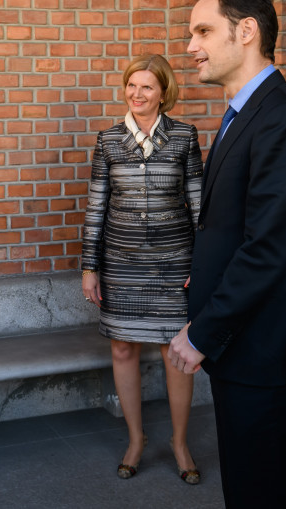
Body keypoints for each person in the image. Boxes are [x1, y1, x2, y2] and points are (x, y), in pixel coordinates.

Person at [169, 0, 286, 508]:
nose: (191, 45)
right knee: (246, 487)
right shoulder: (244, 113)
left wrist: (203, 332)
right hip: (244, 345)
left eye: (203, 31)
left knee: (263, 492)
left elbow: (269, 248)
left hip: (268, 348)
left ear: (246, 31)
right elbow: (230, 228)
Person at [81, 54, 203, 485]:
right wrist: (89, 266)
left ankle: (180, 442)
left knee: (179, 355)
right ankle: (135, 439)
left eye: (147, 87)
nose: (137, 94)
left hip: (174, 265)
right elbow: (97, 206)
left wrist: (203, 265)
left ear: (164, 92)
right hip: (120, 264)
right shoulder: (108, 140)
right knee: (122, 349)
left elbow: (200, 206)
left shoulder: (185, 137)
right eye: (132, 86)